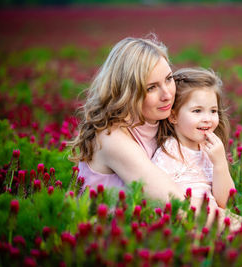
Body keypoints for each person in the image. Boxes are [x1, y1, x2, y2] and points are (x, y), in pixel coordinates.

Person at [152, 68, 242, 243]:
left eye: (213, 111)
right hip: (186, 224)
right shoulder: (168, 152)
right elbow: (160, 200)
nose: (208, 118)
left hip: (216, 220)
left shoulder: (210, 150)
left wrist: (220, 163)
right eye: (197, 111)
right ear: (173, 116)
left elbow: (225, 201)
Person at [69, 36, 184, 201]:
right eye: (151, 88)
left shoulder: (163, 122)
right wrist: (233, 222)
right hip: (103, 225)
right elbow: (174, 201)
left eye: (169, 79)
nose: (167, 95)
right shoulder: (111, 138)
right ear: (127, 92)